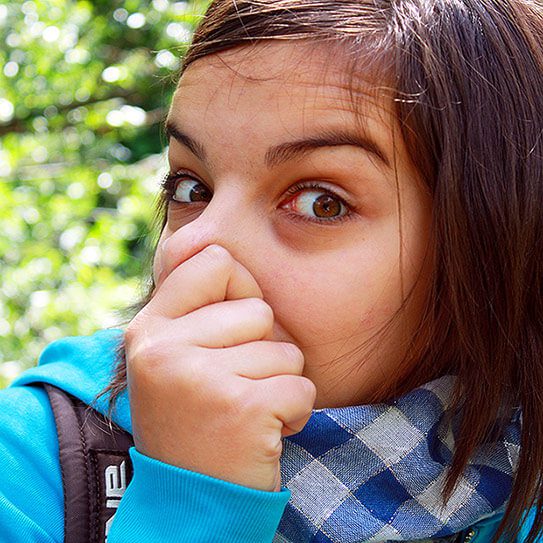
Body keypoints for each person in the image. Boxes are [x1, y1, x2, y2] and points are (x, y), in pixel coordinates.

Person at [1, 0, 542, 541]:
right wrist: (193, 501)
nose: (190, 248)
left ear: (498, 243)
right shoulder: (30, 468)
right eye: (192, 188)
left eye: (320, 202)